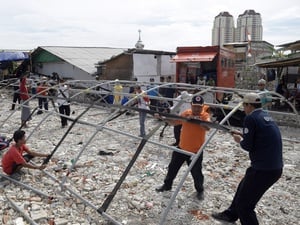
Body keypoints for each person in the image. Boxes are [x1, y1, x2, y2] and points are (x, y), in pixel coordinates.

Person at [212, 93, 283, 225]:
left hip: (263, 169)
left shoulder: (250, 119)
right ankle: (231, 214)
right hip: (273, 167)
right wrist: (243, 134)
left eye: (244, 106)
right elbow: (259, 137)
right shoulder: (265, 116)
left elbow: (247, 146)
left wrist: (239, 140)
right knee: (243, 186)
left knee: (245, 206)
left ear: (249, 105)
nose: (243, 109)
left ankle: (239, 215)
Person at [155, 95, 211, 200]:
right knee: (172, 168)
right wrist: (163, 118)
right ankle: (167, 185)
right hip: (181, 148)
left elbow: (208, 126)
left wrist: (196, 120)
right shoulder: (186, 113)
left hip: (195, 152)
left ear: (202, 106)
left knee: (196, 173)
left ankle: (200, 190)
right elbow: (174, 122)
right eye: (195, 106)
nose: (197, 109)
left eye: (199, 107)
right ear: (191, 105)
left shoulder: (205, 115)